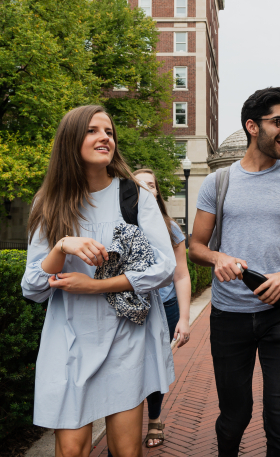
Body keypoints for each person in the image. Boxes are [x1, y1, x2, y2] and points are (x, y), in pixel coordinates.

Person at [22, 105, 176, 457]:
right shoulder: (49, 203)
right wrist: (63, 245)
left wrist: (96, 286)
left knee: (125, 451)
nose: (104, 137)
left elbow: (164, 267)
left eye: (108, 132)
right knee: (72, 450)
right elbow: (32, 286)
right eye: (93, 130)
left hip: (126, 338)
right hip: (71, 340)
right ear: (71, 140)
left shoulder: (135, 196)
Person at [189, 86, 280, 457]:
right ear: (252, 126)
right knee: (235, 415)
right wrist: (218, 259)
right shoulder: (218, 182)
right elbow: (196, 246)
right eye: (277, 121)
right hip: (229, 316)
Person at [133, 169, 192, 447]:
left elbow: (181, 275)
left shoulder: (170, 228)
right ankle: (127, 425)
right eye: (138, 185)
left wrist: (184, 318)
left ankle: (154, 419)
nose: (145, 189)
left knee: (156, 365)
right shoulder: (123, 224)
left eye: (151, 185)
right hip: (129, 308)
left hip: (164, 305)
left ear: (157, 191)